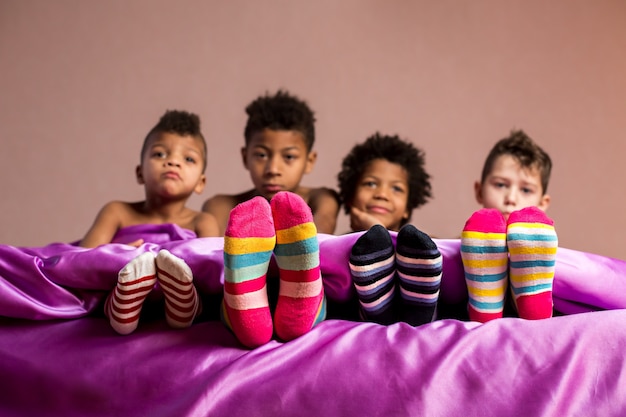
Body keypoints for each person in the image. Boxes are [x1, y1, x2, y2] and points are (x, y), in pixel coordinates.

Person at [80, 109, 220, 335]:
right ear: (139, 172)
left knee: (195, 293)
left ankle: (181, 309)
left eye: (188, 159)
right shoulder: (117, 211)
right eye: (160, 154)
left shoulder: (203, 221)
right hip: (120, 288)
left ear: (200, 182)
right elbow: (82, 259)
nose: (173, 162)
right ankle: (122, 311)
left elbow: (213, 272)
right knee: (114, 292)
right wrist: (118, 255)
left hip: (184, 296)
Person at [201, 90, 339, 235]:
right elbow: (213, 253)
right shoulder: (222, 206)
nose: (273, 169)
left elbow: (318, 242)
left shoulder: (319, 200)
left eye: (289, 157)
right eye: (261, 155)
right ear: (245, 157)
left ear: (309, 161)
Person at [339, 133, 442, 327]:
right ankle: (377, 313)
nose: (382, 194)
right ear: (351, 195)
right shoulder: (340, 246)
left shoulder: (424, 248)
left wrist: (375, 227)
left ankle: (421, 313)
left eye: (396, 189)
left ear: (407, 208)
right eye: (370, 183)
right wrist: (374, 230)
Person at [460, 129, 558, 323]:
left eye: (526, 189)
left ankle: (529, 306)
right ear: (479, 191)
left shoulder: (546, 245)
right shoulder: (461, 243)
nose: (511, 198)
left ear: (543, 203)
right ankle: (494, 306)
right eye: (501, 185)